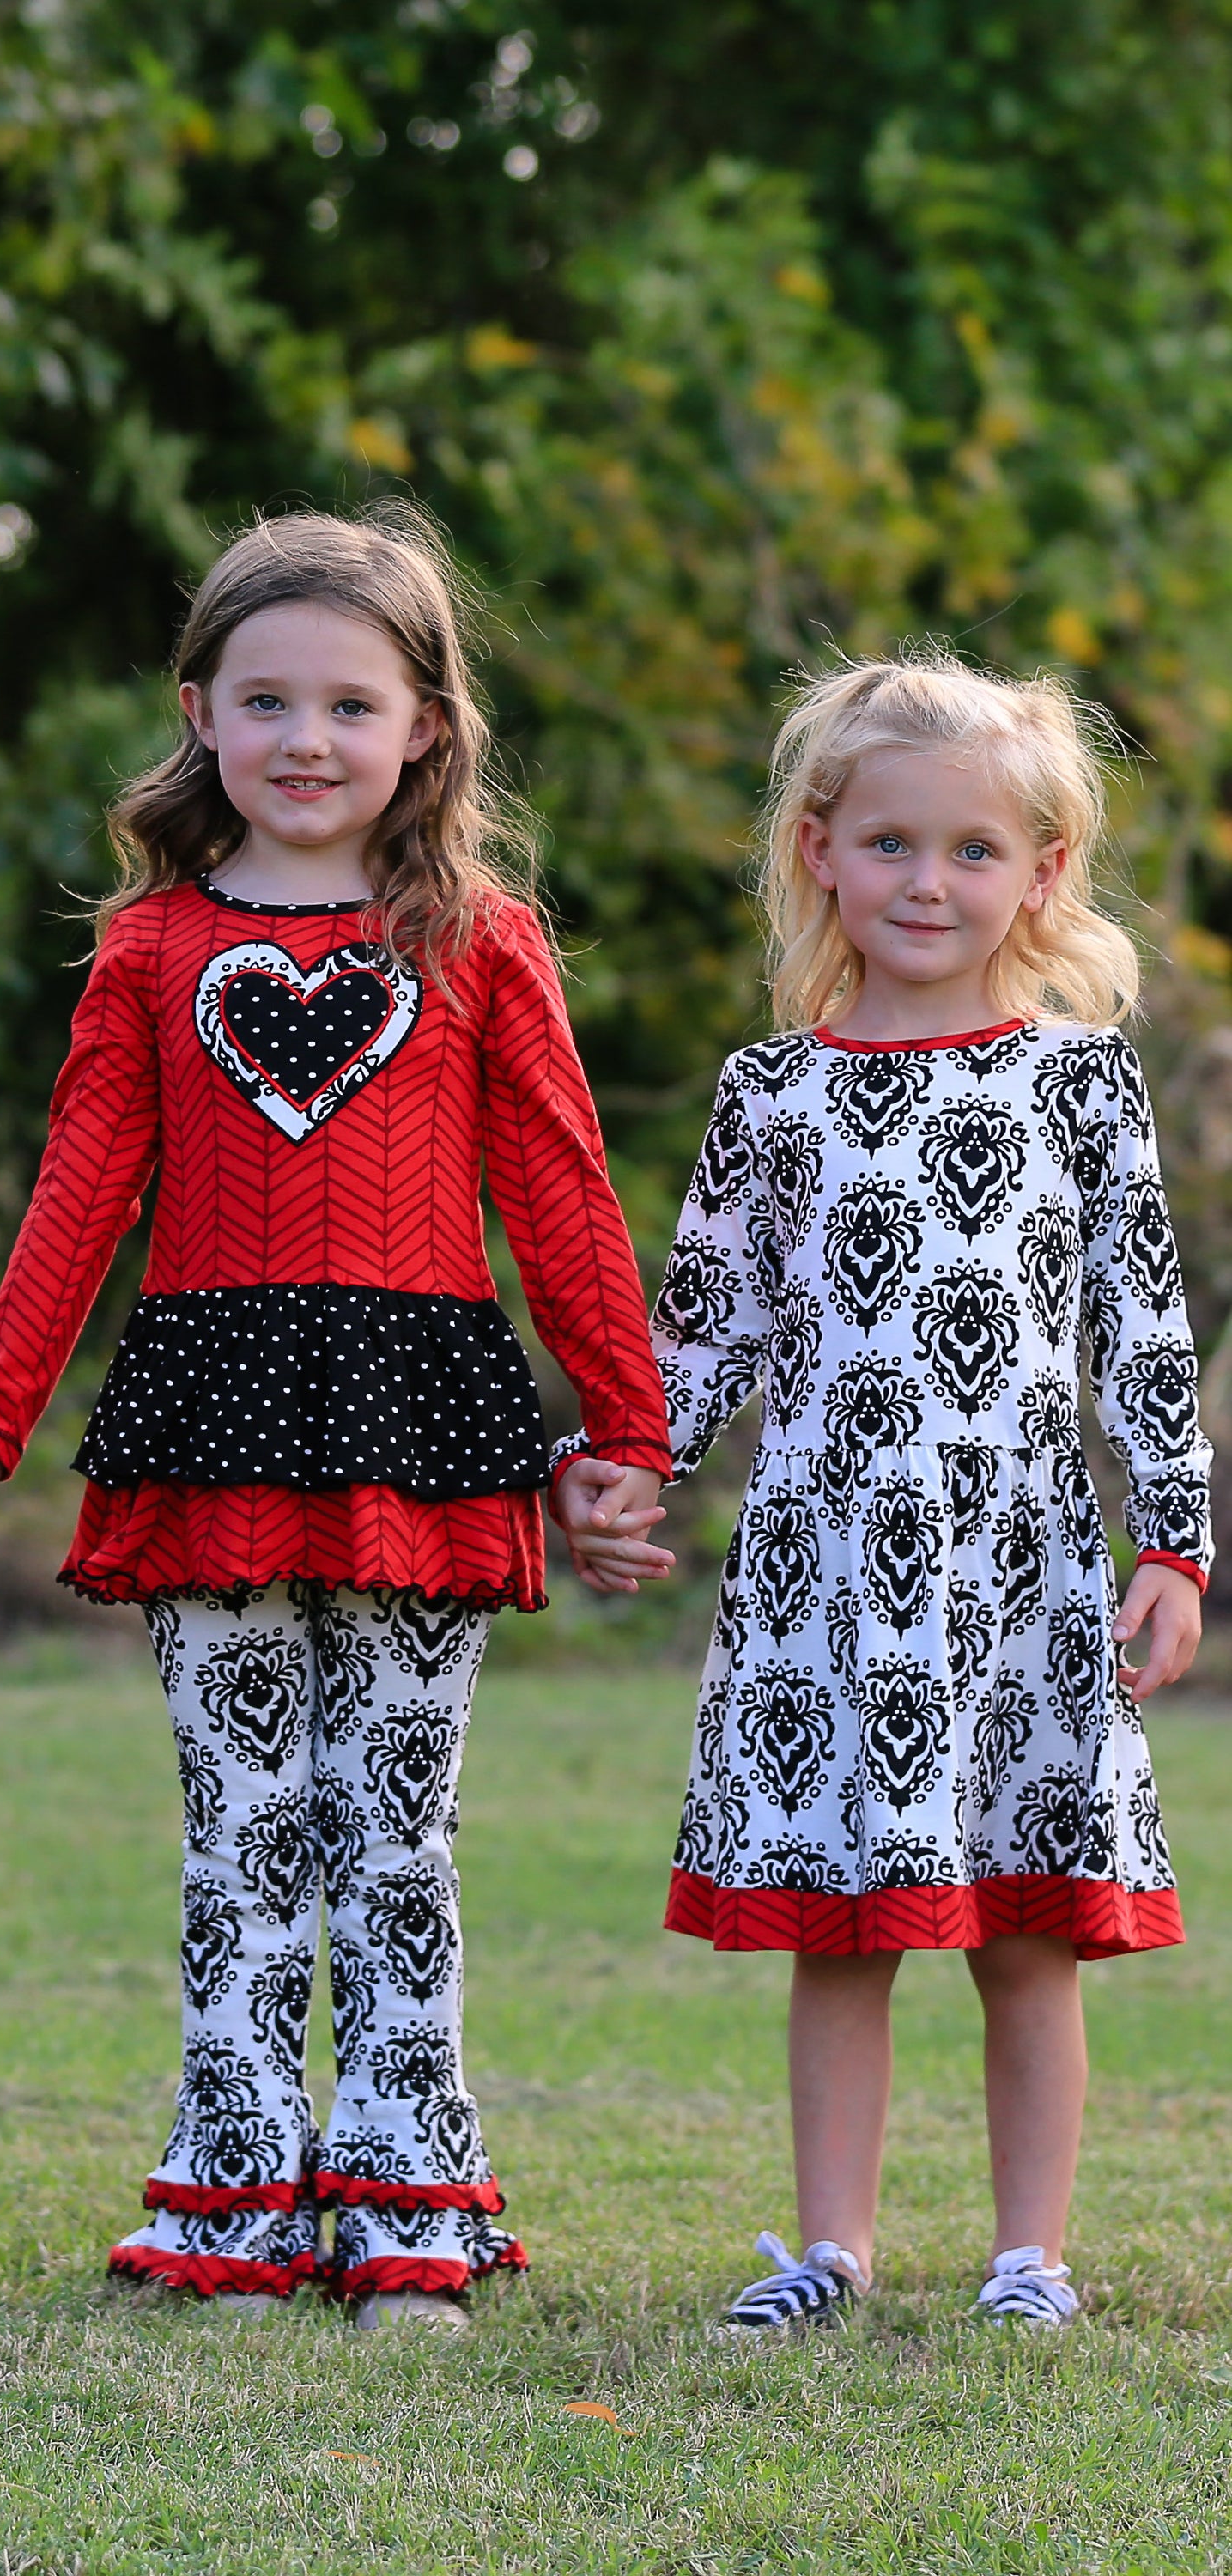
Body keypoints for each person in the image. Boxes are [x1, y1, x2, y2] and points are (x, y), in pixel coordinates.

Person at [0, 507, 671, 2327]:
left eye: (351, 705)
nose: (309, 740)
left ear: (426, 730)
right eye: (267, 700)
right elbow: (79, 1202)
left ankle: (407, 2215)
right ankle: (231, 2199)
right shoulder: (149, 953)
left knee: (394, 1825)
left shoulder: (484, 943)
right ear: (200, 713)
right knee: (239, 1822)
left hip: (425, 1417)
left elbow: (559, 1191)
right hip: (209, 1411)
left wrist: (623, 1422)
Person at [568, 652, 1209, 2335]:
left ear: (1044, 871)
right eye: (894, 844)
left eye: (976, 850)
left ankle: (1029, 2260)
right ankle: (829, 2251)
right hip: (826, 1569)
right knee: (840, 1929)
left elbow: (1140, 1325)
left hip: (1020, 1561)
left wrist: (1177, 1545)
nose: (932, 882)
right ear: (820, 853)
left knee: (1024, 1939)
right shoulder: (771, 1096)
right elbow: (701, 1326)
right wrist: (625, 1470)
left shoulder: (1081, 1086)